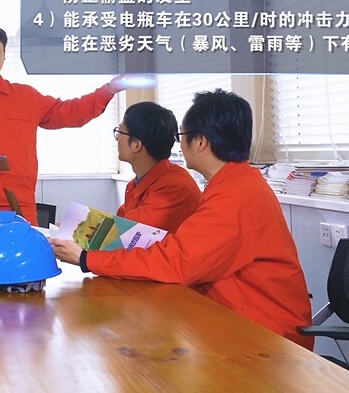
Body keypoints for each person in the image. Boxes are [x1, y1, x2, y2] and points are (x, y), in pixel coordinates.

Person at [51, 89, 314, 350]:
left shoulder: (233, 196)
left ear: (200, 142)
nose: (179, 144)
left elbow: (175, 260)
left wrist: (86, 259)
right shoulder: (235, 183)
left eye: (182, 136)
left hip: (265, 333)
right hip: (230, 316)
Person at [0, 22, 130, 225]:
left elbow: (70, 112)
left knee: (24, 249)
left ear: (4, 54)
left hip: (19, 204)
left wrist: (108, 90)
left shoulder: (25, 96)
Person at [114, 101, 201, 234]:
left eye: (120, 132)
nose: (117, 138)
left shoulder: (174, 188)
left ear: (136, 145)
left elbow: (126, 234)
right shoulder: (135, 184)